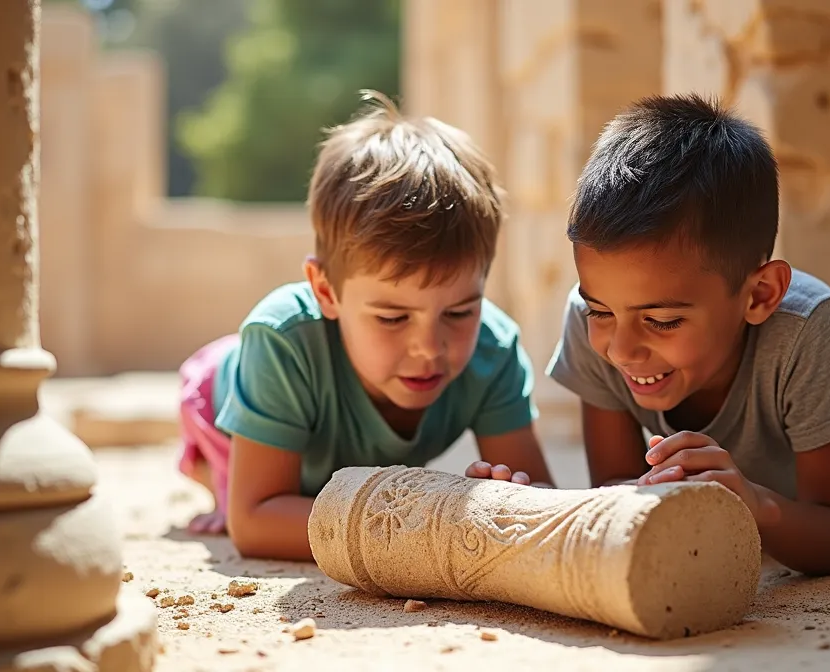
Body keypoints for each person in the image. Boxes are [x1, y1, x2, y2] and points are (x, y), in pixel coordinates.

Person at [546, 93, 830, 576]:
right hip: (772, 467)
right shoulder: (590, 325)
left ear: (759, 295)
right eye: (601, 310)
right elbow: (617, 490)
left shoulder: (808, 330)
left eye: (662, 320)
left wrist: (756, 504)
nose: (619, 349)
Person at [177, 91, 554, 561]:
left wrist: (505, 498)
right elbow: (255, 522)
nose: (429, 348)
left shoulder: (493, 349)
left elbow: (538, 496)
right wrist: (428, 525)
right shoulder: (280, 341)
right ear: (326, 290)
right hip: (220, 399)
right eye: (393, 317)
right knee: (253, 480)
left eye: (459, 312)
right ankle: (215, 473)